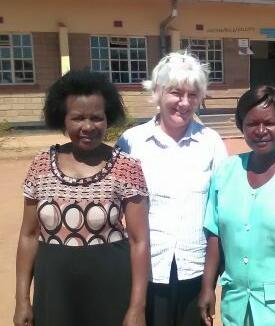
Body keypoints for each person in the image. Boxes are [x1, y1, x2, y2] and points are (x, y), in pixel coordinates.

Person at [13, 70, 150, 326]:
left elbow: (139, 240)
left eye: (96, 118)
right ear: (62, 119)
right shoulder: (41, 165)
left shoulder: (127, 166)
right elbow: (28, 235)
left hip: (111, 289)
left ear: (108, 118)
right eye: (77, 118)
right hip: (54, 290)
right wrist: (22, 300)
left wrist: (137, 308)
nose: (88, 127)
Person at [117, 52, 227, 326]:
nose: (185, 102)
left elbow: (220, 208)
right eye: (176, 93)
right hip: (147, 271)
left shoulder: (211, 143)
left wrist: (210, 283)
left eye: (193, 94)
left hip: (195, 270)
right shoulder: (132, 142)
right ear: (157, 92)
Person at [198, 86, 275, 326]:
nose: (261, 131)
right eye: (252, 124)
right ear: (241, 126)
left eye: (270, 123)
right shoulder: (226, 172)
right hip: (236, 304)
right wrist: (207, 287)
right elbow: (214, 234)